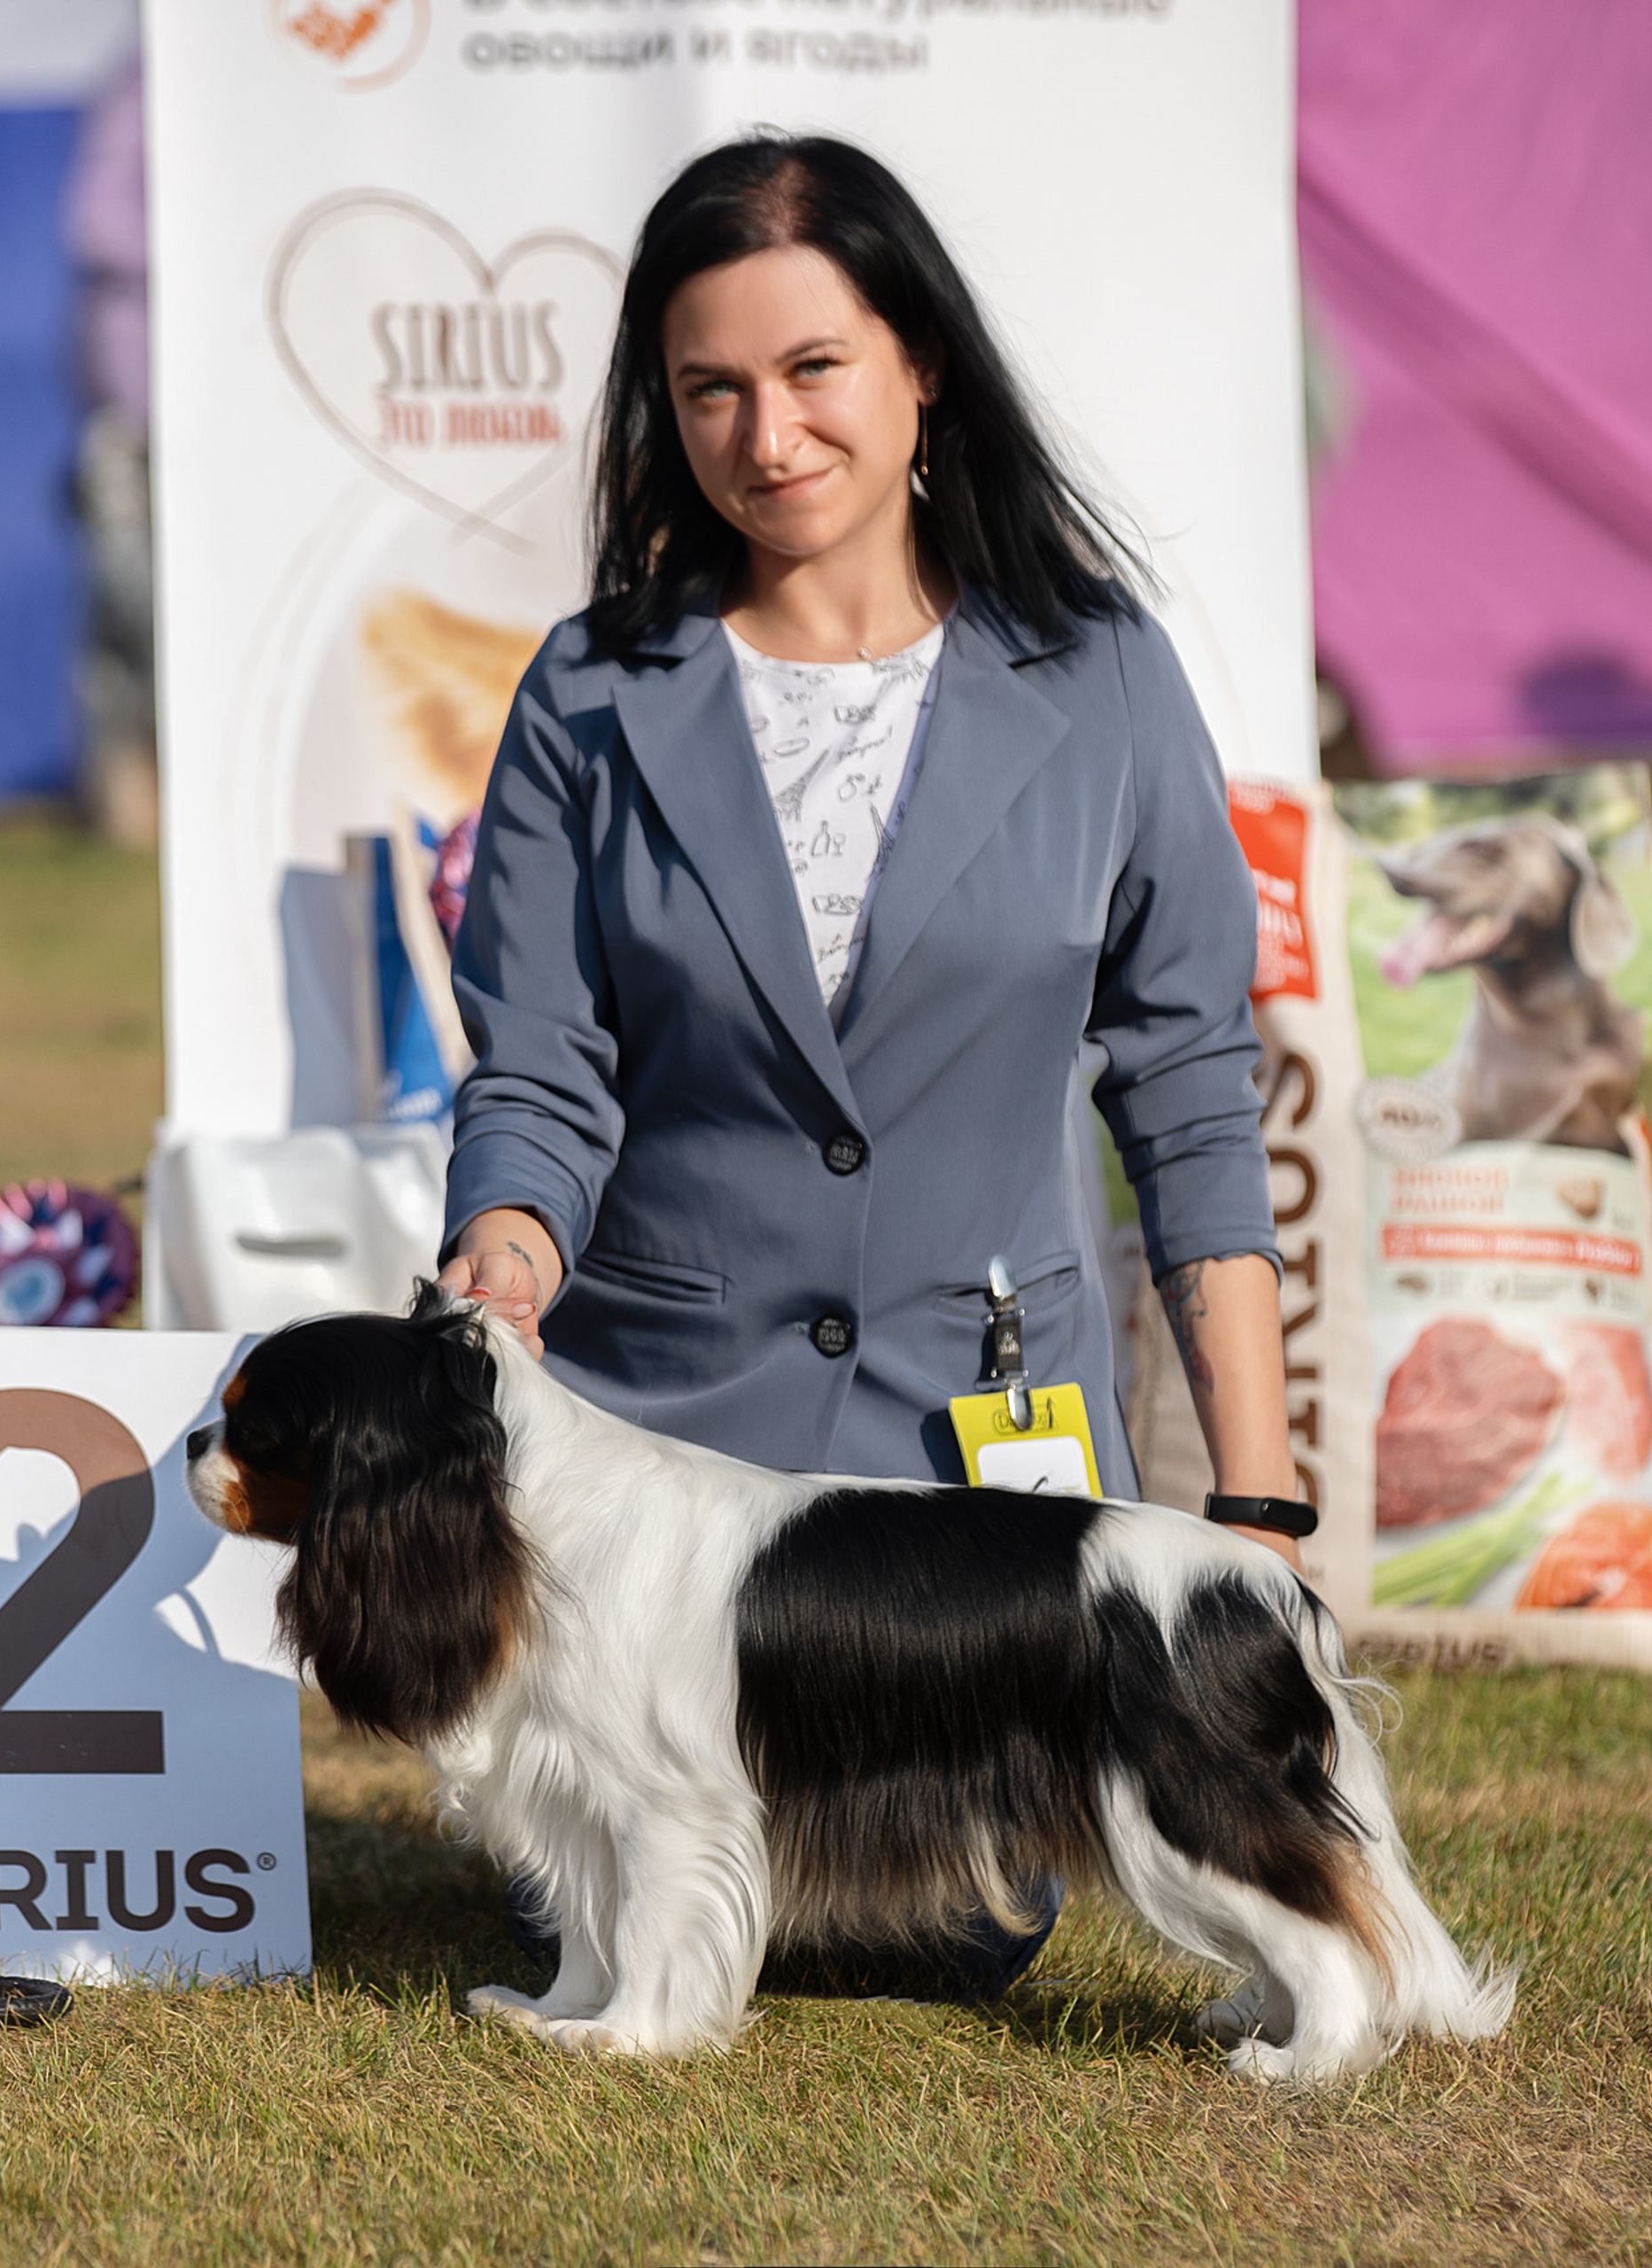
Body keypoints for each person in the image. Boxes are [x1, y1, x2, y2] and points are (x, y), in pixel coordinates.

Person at [433, 135, 1307, 1994]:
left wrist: (1255, 1501)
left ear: (918, 362)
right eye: (710, 391)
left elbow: (1191, 1096)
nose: (767, 435)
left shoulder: (1104, 681)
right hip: (660, 1518)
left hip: (974, 1538)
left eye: (814, 367)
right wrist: (503, 1257)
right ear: (660, 415)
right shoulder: (584, 696)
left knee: (938, 1938)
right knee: (614, 1916)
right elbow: (537, 1069)